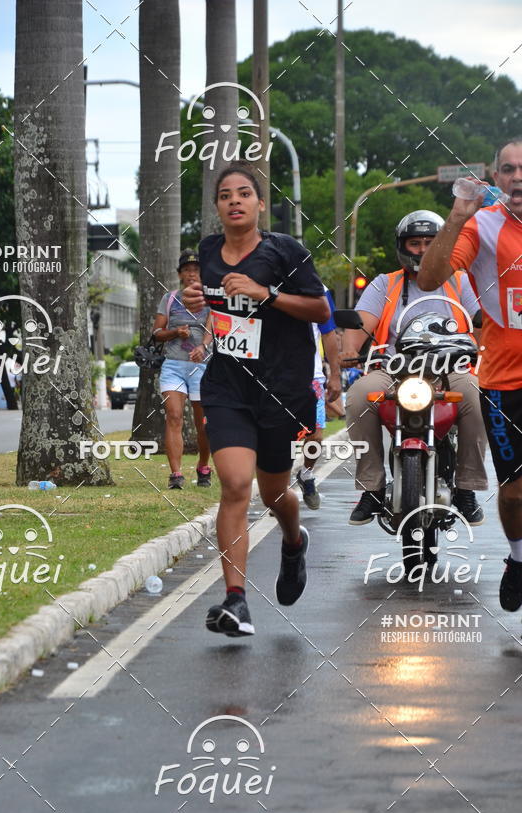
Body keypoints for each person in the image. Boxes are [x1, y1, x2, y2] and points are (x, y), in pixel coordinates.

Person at [182, 162, 330, 637]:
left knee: (274, 493)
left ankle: (293, 541)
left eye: (244, 193)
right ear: (218, 206)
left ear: (260, 203)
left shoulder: (285, 251)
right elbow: (217, 307)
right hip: (227, 384)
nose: (234, 201)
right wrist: (199, 302)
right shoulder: (208, 251)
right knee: (234, 484)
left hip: (281, 388)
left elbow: (320, 309)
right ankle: (235, 601)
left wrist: (265, 293)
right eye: (225, 195)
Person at [417, 140, 522, 611]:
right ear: (497, 178)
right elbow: (428, 277)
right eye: (508, 169)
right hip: (505, 380)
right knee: (516, 493)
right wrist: (457, 216)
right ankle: (519, 558)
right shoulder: (482, 226)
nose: (518, 176)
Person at [342, 209, 488, 526]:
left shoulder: (461, 281)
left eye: (430, 242)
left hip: (451, 367)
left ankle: (467, 488)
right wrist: (350, 350)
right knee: (357, 397)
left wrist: (484, 349)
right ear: (402, 246)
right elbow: (360, 324)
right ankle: (372, 488)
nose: (422, 250)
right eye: (415, 243)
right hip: (394, 367)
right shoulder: (385, 283)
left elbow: (482, 324)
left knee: (476, 397)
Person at [151, 249, 213, 490]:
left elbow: (214, 328)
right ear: (179, 274)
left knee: (203, 423)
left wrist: (203, 347)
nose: (191, 274)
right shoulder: (170, 299)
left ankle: (203, 466)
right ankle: (176, 474)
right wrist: (176, 332)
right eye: (187, 270)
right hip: (174, 365)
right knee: (174, 416)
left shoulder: (211, 300)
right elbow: (156, 334)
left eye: (196, 270)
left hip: (202, 365)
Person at [295, 295, 341, 509]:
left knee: (315, 436)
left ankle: (306, 474)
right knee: (278, 437)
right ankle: (278, 495)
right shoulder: (267, 281)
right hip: (275, 376)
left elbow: (329, 334)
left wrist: (335, 375)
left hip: (312, 376)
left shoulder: (319, 291)